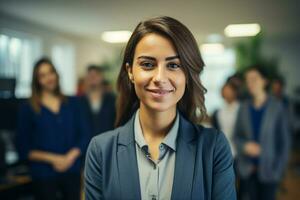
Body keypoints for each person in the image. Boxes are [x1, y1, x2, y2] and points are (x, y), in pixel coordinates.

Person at [84, 16, 236, 200]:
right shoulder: (100, 150)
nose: (160, 78)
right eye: (148, 64)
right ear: (130, 71)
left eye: (173, 65)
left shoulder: (213, 147)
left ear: (187, 75)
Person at [17, 58, 89, 200]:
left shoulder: (74, 103)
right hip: (43, 175)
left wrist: (68, 158)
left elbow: (85, 135)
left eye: (50, 72)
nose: (48, 78)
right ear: (36, 81)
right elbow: (22, 147)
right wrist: (54, 159)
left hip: (72, 170)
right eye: (42, 75)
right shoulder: (28, 108)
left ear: (56, 74)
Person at [233, 66, 290, 200]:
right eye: (247, 80)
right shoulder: (244, 107)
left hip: (270, 171)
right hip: (247, 170)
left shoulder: (277, 107)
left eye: (254, 79)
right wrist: (244, 146)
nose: (250, 83)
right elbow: (236, 136)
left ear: (265, 81)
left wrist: (278, 170)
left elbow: (284, 141)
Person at [79, 65, 116, 138]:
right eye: (90, 76)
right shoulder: (79, 102)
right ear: (86, 79)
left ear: (102, 77)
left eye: (95, 75)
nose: (93, 78)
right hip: (86, 145)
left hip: (109, 142)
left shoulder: (113, 100)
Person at [212, 81, 240, 157]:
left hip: (239, 152)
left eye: (229, 90)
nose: (226, 93)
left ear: (235, 92)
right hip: (223, 150)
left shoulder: (241, 109)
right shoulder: (218, 112)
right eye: (224, 90)